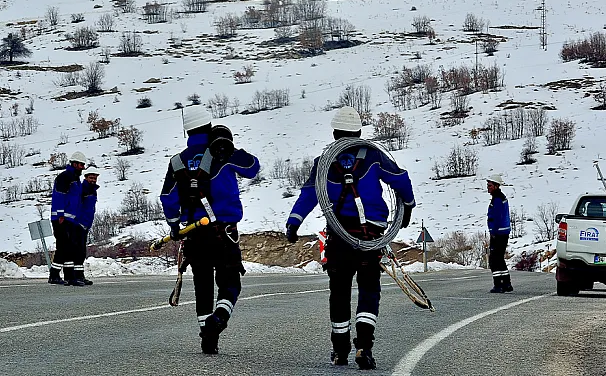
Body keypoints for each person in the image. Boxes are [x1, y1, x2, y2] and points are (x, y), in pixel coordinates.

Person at [285, 106, 416, 371]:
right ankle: (364, 347)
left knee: (339, 291)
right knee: (369, 289)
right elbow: (400, 179)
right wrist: (408, 206)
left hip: (339, 236)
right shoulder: (374, 157)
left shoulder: (324, 162)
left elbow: (309, 194)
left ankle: (339, 350)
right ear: (358, 132)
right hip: (370, 235)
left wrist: (294, 221)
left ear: (334, 133)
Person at [159, 105, 260, 355]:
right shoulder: (223, 152)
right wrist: (232, 147)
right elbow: (253, 168)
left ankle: (207, 338)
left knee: (202, 286)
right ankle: (220, 317)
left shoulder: (177, 162)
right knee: (230, 282)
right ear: (209, 125)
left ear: (187, 131)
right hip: (223, 231)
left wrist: (174, 226)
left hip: (194, 234)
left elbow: (167, 199)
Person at [49, 151, 86, 285]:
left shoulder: (76, 180)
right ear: (75, 164)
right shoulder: (65, 177)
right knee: (63, 247)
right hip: (61, 219)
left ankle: (70, 277)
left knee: (70, 247)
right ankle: (54, 275)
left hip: (71, 220)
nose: (82, 167)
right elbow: (59, 196)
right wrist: (60, 215)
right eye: (81, 165)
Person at [72, 166, 100, 287]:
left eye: (95, 178)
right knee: (77, 251)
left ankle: (80, 275)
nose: (93, 180)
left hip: (86, 224)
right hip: (79, 224)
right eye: (91, 177)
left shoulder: (92, 190)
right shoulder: (82, 189)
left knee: (82, 251)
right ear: (86, 177)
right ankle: (75, 276)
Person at [486, 174, 513, 293]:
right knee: (500, 258)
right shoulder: (501, 197)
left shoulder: (497, 199)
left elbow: (496, 217)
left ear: (496, 186)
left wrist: (493, 232)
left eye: (490, 185)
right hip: (503, 232)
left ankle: (498, 285)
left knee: (494, 259)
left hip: (498, 233)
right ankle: (506, 283)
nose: (488, 187)